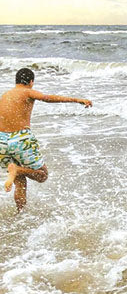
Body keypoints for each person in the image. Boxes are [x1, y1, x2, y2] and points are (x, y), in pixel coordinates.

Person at [1, 68, 92, 212]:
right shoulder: (27, 91)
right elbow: (47, 98)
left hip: (2, 141)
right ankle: (16, 169)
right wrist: (77, 100)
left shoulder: (6, 95)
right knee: (42, 175)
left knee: (20, 180)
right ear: (31, 82)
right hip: (20, 138)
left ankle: (20, 213)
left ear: (16, 81)